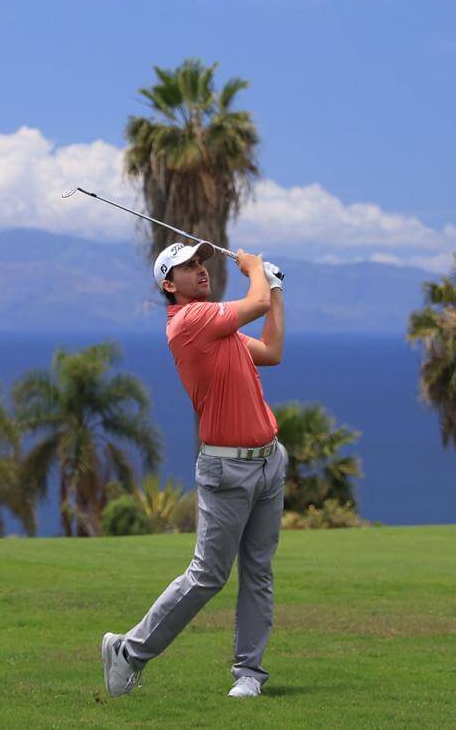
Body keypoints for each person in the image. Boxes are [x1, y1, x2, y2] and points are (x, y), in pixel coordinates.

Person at [102, 240, 286, 699]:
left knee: (258, 571)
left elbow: (271, 349)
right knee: (207, 575)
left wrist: (275, 290)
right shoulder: (190, 322)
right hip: (226, 470)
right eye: (187, 266)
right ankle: (129, 653)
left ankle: (249, 673)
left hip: (268, 462)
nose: (200, 269)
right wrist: (255, 269)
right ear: (169, 284)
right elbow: (255, 300)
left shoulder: (218, 330)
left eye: (201, 261)